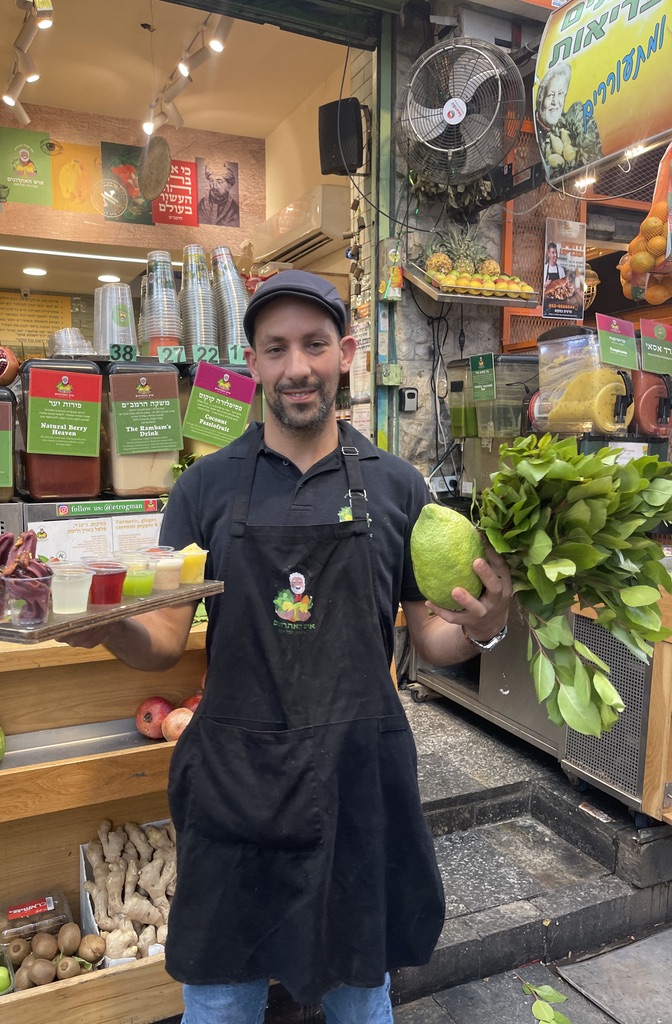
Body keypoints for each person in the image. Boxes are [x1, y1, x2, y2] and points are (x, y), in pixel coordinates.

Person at [65, 270, 512, 1023]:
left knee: (361, 997)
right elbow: (165, 644)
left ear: (345, 353)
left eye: (313, 345)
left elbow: (431, 639)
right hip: (236, 782)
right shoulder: (203, 490)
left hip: (356, 783)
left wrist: (483, 625)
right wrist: (110, 625)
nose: (296, 366)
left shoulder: (399, 488)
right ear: (253, 362)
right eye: (276, 348)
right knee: (219, 999)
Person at [197, 161, 240, 226]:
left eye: (219, 182)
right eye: (211, 181)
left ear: (229, 185)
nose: (214, 186)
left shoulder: (234, 209)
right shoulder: (202, 204)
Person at [536, 62, 571, 133]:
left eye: (560, 94)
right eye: (551, 95)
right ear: (541, 96)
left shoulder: (569, 127)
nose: (555, 102)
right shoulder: (534, 124)